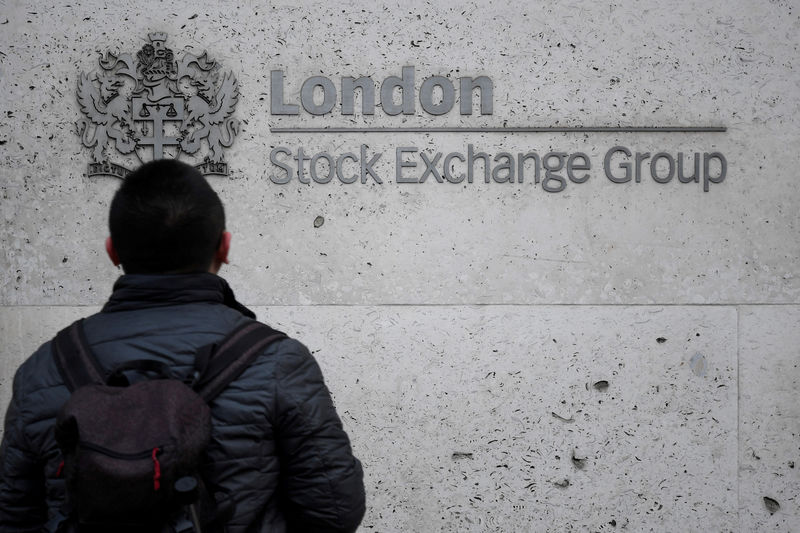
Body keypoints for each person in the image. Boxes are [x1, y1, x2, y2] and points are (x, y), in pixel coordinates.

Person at [0, 159, 366, 532]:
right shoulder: (278, 362)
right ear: (224, 247)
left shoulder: (43, 369)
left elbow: (14, 518)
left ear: (112, 252)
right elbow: (335, 512)